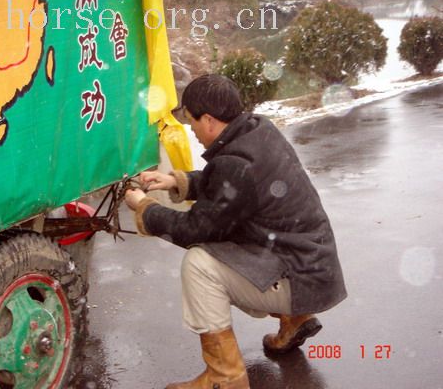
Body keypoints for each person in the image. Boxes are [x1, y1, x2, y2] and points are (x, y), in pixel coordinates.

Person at [125, 74, 347, 389]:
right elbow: (231, 187)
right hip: (311, 264)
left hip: (298, 275)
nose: (191, 129)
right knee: (230, 244)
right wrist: (178, 181)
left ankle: (224, 378)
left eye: (191, 122)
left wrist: (145, 207)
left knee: (200, 265)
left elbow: (195, 228)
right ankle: (295, 320)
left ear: (210, 120)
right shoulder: (258, 130)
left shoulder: (234, 163)